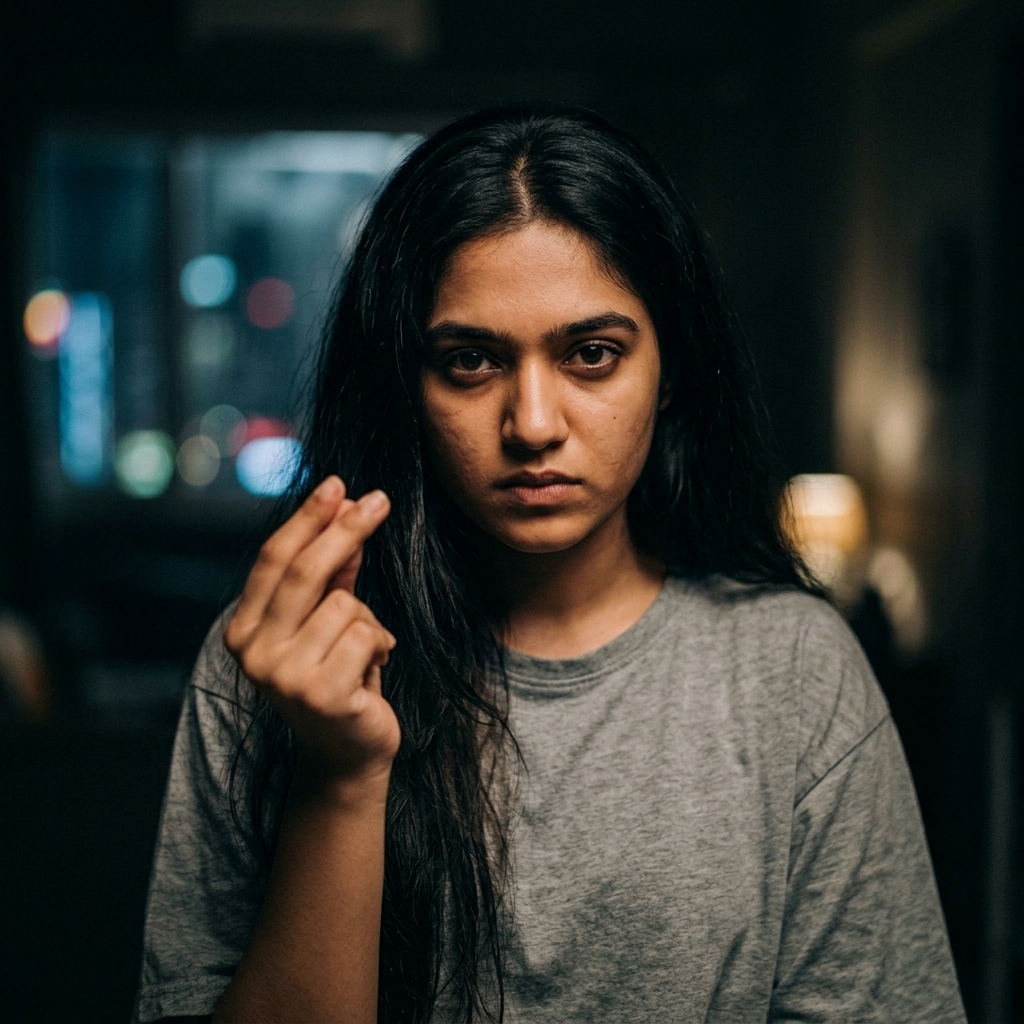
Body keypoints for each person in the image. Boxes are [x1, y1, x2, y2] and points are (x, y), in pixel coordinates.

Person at [133, 105, 965, 1024]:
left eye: (592, 355)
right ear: (405, 386)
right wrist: (340, 777)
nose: (533, 424)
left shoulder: (791, 672)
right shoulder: (281, 666)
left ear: (673, 365)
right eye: (471, 362)